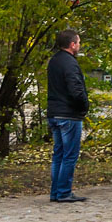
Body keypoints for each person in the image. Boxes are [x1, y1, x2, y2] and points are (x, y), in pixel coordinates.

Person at [47, 28, 88, 203]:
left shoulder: (54, 61)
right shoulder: (70, 63)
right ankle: (64, 191)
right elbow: (75, 90)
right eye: (78, 42)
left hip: (54, 112)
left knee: (58, 154)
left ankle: (55, 191)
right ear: (72, 44)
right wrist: (84, 105)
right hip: (69, 114)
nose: (79, 45)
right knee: (69, 155)